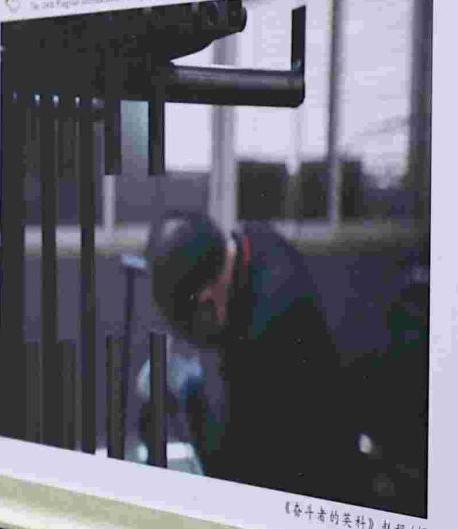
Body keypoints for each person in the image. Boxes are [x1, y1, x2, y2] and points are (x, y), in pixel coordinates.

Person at [146, 211, 359, 503]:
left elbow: (231, 474)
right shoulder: (252, 240)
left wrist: (189, 394)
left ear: (206, 300)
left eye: (188, 326)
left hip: (311, 491)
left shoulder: (267, 330)